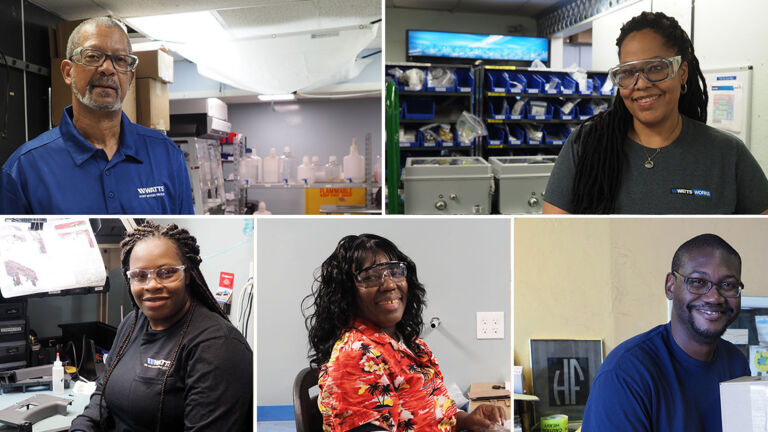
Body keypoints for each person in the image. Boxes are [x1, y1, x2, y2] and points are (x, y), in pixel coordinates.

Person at [543, 11, 768, 214]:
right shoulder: (586, 145)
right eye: (628, 72)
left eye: (656, 68)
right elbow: (555, 239)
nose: (640, 84)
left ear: (682, 73)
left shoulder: (727, 153)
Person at [303, 234, 506, 431]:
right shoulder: (355, 356)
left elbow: (425, 413)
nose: (390, 284)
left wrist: (468, 421)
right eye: (371, 277)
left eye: (395, 272)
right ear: (346, 292)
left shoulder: (409, 343)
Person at [69, 221, 252, 432]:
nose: (152, 284)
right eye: (139, 275)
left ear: (188, 274)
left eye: (166, 272)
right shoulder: (131, 323)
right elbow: (102, 393)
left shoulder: (218, 345)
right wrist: (82, 428)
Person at [1, 17, 193, 214]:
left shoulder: (167, 156)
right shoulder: (25, 169)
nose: (108, 68)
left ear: (130, 78)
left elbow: (187, 242)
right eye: (93, 56)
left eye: (120, 60)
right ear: (68, 72)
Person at [581, 233, 749, 432]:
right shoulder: (625, 374)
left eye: (728, 285)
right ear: (670, 286)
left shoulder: (736, 363)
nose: (714, 297)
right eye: (697, 282)